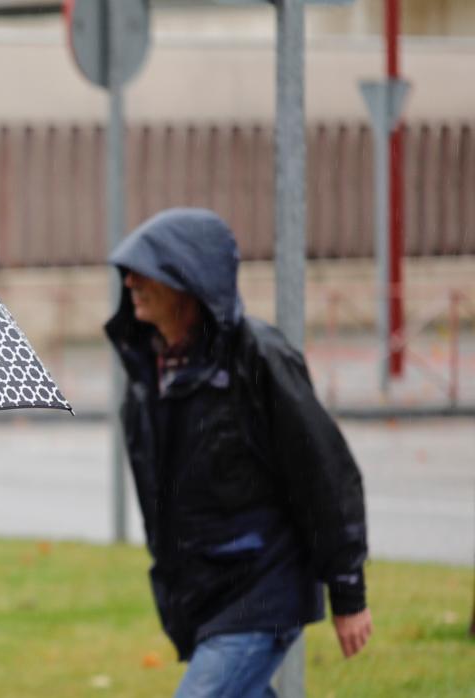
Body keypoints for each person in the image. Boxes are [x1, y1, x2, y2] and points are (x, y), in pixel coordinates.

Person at [104, 208, 373, 696]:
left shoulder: (258, 360)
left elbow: (324, 475)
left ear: (188, 281)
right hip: (207, 593)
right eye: (128, 272)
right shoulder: (150, 374)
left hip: (263, 590)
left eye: (146, 272)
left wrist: (348, 591)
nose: (130, 284)